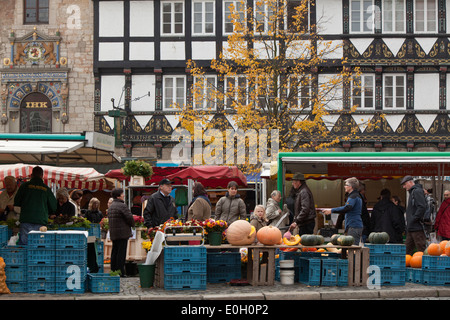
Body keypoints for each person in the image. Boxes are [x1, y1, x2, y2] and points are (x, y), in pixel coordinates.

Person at [14, 166, 57, 245]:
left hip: (26, 220)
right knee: (38, 245)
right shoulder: (46, 189)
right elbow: (53, 206)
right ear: (42, 176)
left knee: (25, 244)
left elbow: (16, 202)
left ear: (31, 175)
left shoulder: (24, 186)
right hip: (40, 221)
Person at [323, 177, 363, 245]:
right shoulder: (356, 196)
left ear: (351, 187)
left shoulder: (353, 196)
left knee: (352, 247)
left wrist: (332, 210)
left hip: (353, 225)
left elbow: (347, 207)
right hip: (354, 225)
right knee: (352, 246)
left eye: (346, 185)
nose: (345, 186)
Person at [108, 188, 135, 277]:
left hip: (114, 233)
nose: (124, 195)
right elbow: (129, 218)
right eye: (122, 194)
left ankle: (114, 270)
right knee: (121, 253)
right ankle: (120, 271)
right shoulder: (122, 205)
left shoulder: (112, 206)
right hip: (122, 232)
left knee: (114, 252)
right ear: (118, 196)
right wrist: (132, 225)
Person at [401, 175, 427, 255]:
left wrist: (414, 218)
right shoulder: (413, 192)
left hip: (417, 227)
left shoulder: (416, 191)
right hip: (412, 227)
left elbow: (422, 207)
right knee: (407, 250)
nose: (404, 187)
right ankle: (406, 264)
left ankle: (423, 265)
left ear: (410, 182)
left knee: (421, 249)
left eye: (405, 184)